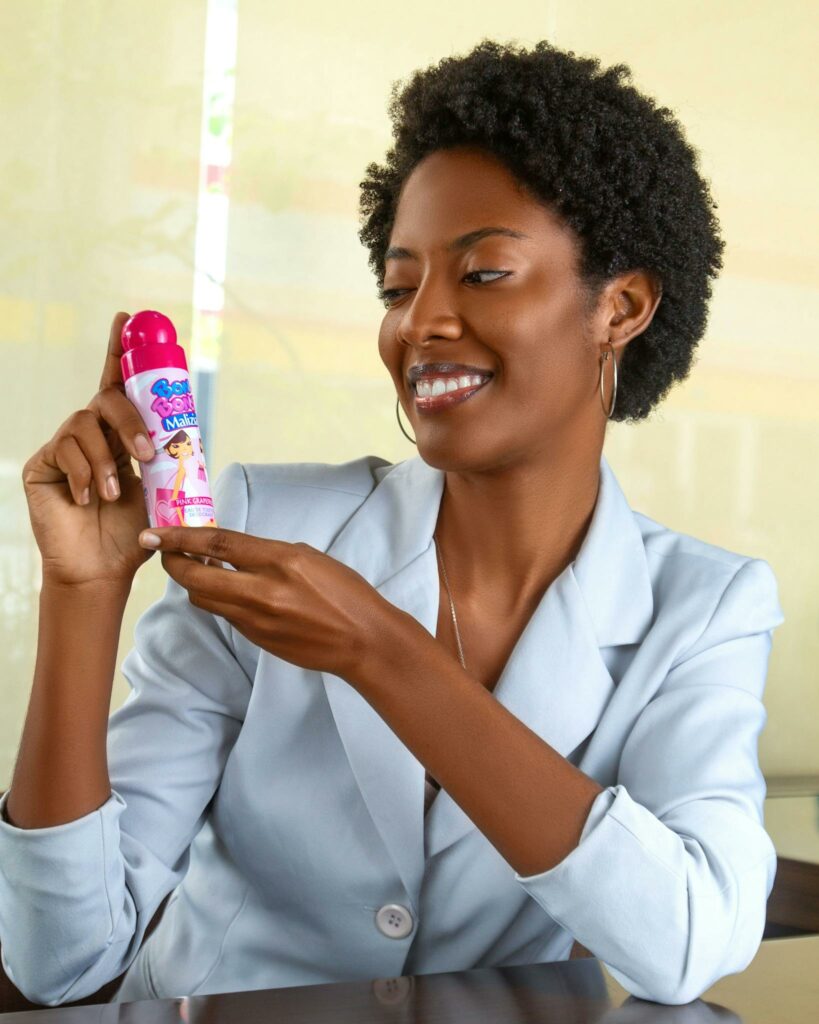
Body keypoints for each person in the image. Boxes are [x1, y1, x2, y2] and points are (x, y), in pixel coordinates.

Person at [0, 39, 783, 1007]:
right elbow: (64, 959)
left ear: (619, 306)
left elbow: (694, 941)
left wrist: (384, 653)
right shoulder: (259, 524)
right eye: (398, 284)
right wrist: (82, 593)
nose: (420, 323)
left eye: (483, 272)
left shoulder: (703, 608)